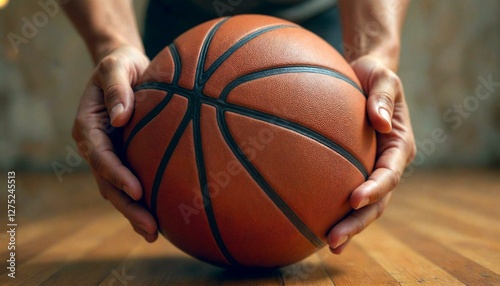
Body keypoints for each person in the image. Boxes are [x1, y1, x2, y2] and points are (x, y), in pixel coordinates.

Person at [64, 0, 416, 255]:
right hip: (185, 41)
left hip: (312, 41)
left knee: (320, 167)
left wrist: (378, 53)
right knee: (177, 165)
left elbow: (374, 66)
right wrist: (114, 45)